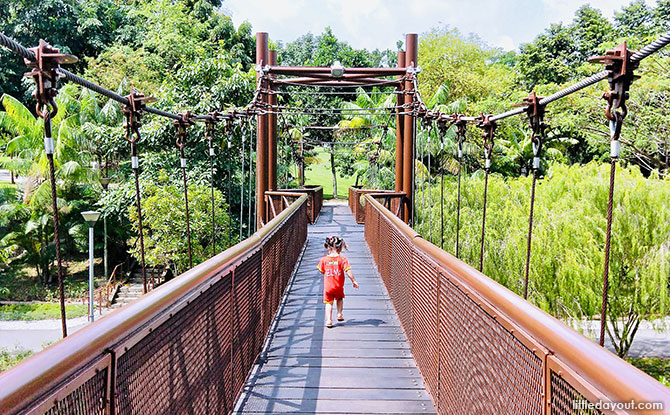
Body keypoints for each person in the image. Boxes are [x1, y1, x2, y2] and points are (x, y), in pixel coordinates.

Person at [317, 236, 359, 328]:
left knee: (329, 303)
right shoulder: (342, 259)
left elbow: (321, 270)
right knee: (339, 299)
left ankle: (329, 320)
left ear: (328, 247)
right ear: (340, 248)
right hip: (338, 286)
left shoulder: (324, 259)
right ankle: (339, 313)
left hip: (328, 287)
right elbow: (348, 271)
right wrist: (353, 281)